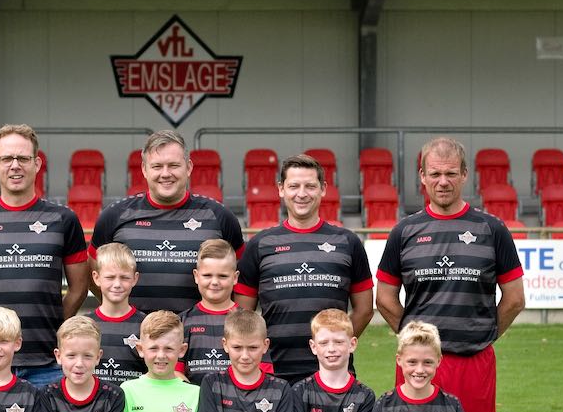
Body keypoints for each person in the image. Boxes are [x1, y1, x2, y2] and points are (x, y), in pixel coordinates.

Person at [374, 136, 523, 412]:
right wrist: (417, 345)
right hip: (418, 368)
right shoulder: (405, 231)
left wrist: (482, 334)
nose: (443, 181)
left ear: (465, 175)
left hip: (473, 365)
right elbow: (385, 298)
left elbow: (514, 298)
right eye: (435, 174)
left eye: (450, 173)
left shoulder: (491, 230)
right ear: (421, 177)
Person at [0, 123, 92, 388]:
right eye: (7, 158)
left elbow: (79, 288)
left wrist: (54, 324)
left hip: (47, 363)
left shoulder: (64, 219)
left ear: (37, 164)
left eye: (23, 158)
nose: (15, 165)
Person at [235, 153, 374, 382]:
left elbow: (365, 309)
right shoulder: (260, 244)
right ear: (281, 189)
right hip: (274, 375)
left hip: (332, 374)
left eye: (310, 186)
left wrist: (335, 344)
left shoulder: (348, 242)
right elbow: (243, 315)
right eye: (294, 186)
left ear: (323, 189)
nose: (302, 194)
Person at [91, 129, 243, 315]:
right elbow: (93, 273)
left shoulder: (220, 216)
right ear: (144, 169)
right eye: (157, 166)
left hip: (198, 331)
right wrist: (120, 314)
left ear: (188, 167)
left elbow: (243, 281)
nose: (165, 173)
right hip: (134, 331)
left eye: (173, 165)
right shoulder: (115, 216)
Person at [179, 238, 248, 383]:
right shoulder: (181, 322)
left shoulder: (248, 321)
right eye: (207, 275)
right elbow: (174, 372)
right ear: (196, 276)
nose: (215, 282)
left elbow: (259, 372)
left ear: (235, 277)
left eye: (222, 276)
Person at [91, 243, 146, 384]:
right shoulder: (84, 325)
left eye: (124, 277)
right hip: (96, 399)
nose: (117, 284)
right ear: (96, 278)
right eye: (110, 277)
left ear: (135, 278)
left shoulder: (146, 325)